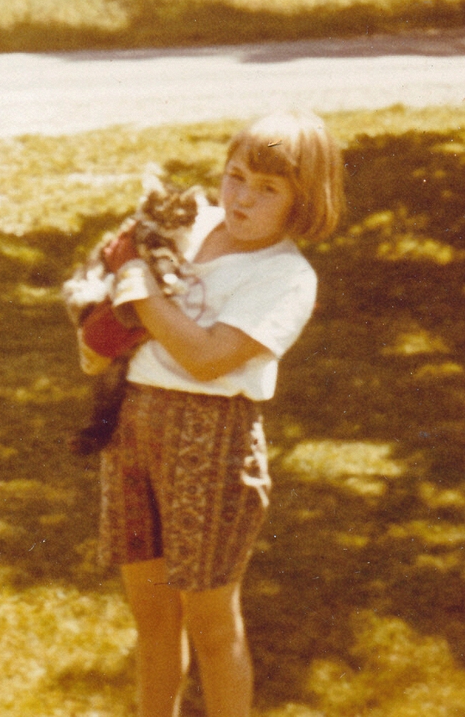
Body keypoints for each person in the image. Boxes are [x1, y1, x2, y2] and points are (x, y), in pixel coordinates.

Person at [78, 112, 345, 717]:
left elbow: (204, 359)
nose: (243, 197)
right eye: (236, 176)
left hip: (212, 441)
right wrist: (99, 327)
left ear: (303, 204)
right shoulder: (192, 228)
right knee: (152, 617)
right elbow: (112, 310)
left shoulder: (286, 277)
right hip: (134, 424)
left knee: (210, 622)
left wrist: (136, 285)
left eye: (269, 189)